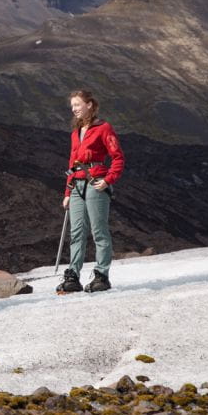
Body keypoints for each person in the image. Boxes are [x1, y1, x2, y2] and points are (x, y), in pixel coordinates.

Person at [56, 90, 125, 294]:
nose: (74, 109)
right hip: (76, 186)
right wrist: (67, 192)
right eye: (72, 106)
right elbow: (72, 162)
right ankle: (73, 276)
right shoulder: (75, 133)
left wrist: (108, 180)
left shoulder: (104, 128)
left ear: (89, 105)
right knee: (76, 232)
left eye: (77, 105)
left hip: (95, 183)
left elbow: (118, 157)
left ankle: (101, 275)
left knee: (98, 231)